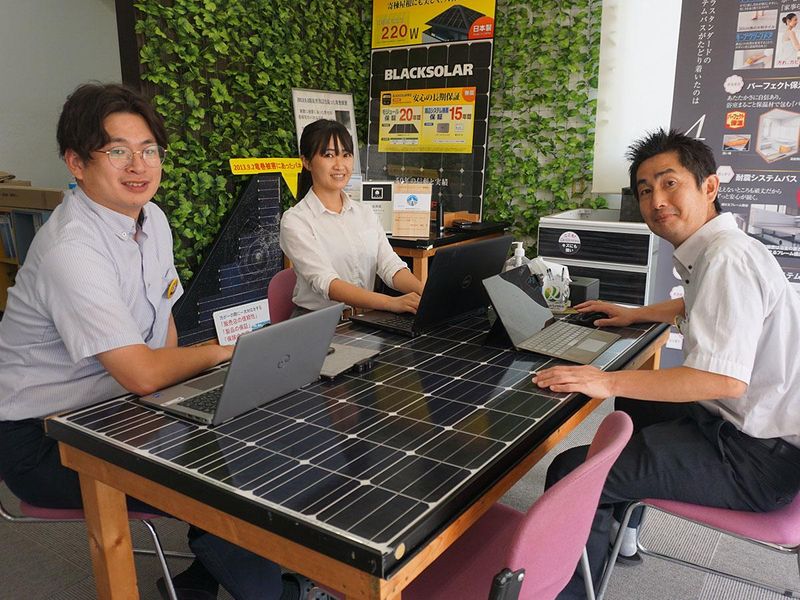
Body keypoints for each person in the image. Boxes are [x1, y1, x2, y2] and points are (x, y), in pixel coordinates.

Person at [0, 83, 323, 600]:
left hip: (117, 406)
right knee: (222, 480)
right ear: (77, 163)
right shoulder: (72, 249)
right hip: (42, 437)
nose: (139, 166)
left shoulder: (152, 219)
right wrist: (224, 353)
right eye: (118, 152)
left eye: (149, 150)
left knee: (258, 436)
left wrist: (177, 391)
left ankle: (201, 583)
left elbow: (165, 319)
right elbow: (141, 372)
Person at [533, 129, 800, 599]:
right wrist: (636, 314)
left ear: (709, 187)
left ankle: (569, 591)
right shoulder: (721, 247)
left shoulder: (727, 260)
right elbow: (695, 304)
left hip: (756, 460)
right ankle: (624, 532)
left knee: (573, 470)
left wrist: (605, 379)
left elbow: (721, 379)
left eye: (669, 183)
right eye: (644, 190)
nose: (656, 201)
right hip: (751, 433)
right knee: (637, 406)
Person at [279, 119, 424, 314]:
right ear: (306, 162)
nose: (340, 165)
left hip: (364, 318)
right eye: (329, 155)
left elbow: (390, 265)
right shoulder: (295, 221)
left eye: (346, 155)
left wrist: (426, 292)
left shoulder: (365, 213)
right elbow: (327, 283)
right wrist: (391, 303)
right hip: (318, 322)